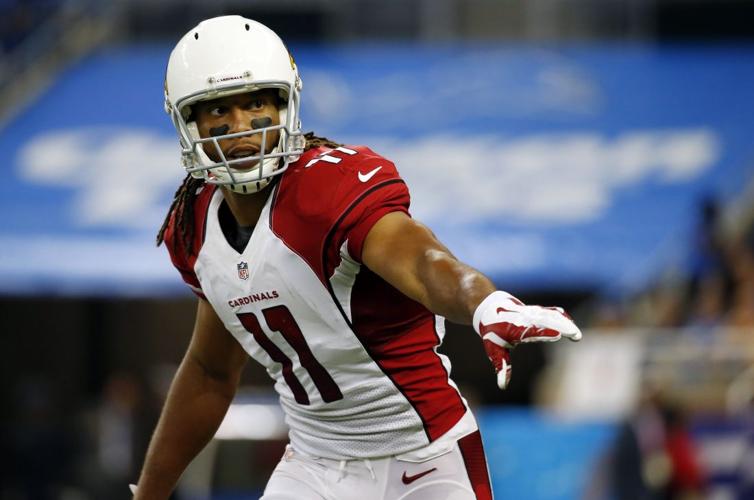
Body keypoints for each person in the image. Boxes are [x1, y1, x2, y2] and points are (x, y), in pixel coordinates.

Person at [133, 15, 582, 500]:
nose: (240, 126)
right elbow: (211, 371)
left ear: (286, 104)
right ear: (187, 121)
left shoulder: (327, 189)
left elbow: (422, 261)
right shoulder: (194, 224)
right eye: (218, 110)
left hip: (425, 457)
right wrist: (150, 492)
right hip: (314, 464)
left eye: (256, 102)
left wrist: (484, 303)